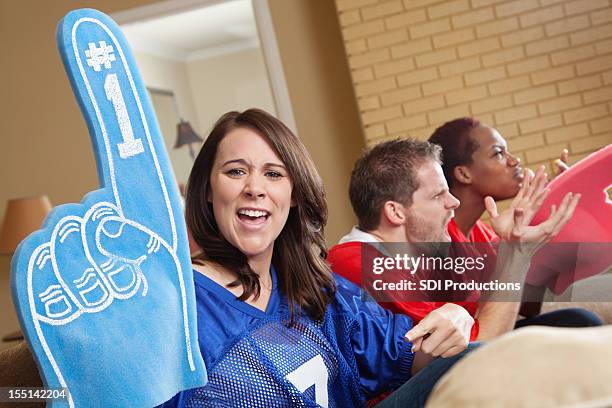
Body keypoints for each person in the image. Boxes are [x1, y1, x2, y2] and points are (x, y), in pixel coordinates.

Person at [0, 109, 477, 407]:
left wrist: (456, 313)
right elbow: (28, 393)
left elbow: (415, 356)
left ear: (293, 195)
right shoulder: (168, 305)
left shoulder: (319, 290)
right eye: (235, 171)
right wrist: (72, 349)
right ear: (209, 193)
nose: (255, 186)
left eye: (273, 173)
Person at [328, 138, 584, 343]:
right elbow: (479, 346)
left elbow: (489, 308)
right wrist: (516, 253)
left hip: (458, 363)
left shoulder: (420, 249)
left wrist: (511, 246)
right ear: (395, 212)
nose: (454, 202)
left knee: (575, 321)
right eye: (439, 195)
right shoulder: (359, 261)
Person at [428, 117, 602, 330]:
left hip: (491, 332)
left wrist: (552, 212)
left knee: (577, 319)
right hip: (468, 346)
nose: (514, 161)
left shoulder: (484, 234)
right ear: (464, 173)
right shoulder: (438, 243)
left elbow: (530, 305)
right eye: (498, 153)